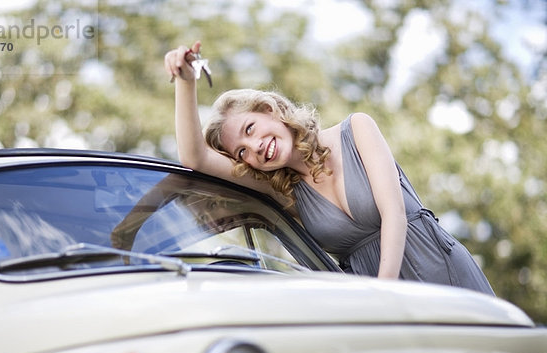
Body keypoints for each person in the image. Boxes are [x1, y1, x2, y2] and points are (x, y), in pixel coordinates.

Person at [164, 41, 495, 295]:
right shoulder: (286, 193)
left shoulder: (357, 129)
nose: (255, 147)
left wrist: (387, 293)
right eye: (241, 151)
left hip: (439, 272)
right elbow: (194, 159)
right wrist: (186, 82)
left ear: (269, 110)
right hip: (376, 302)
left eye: (250, 129)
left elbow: (393, 214)